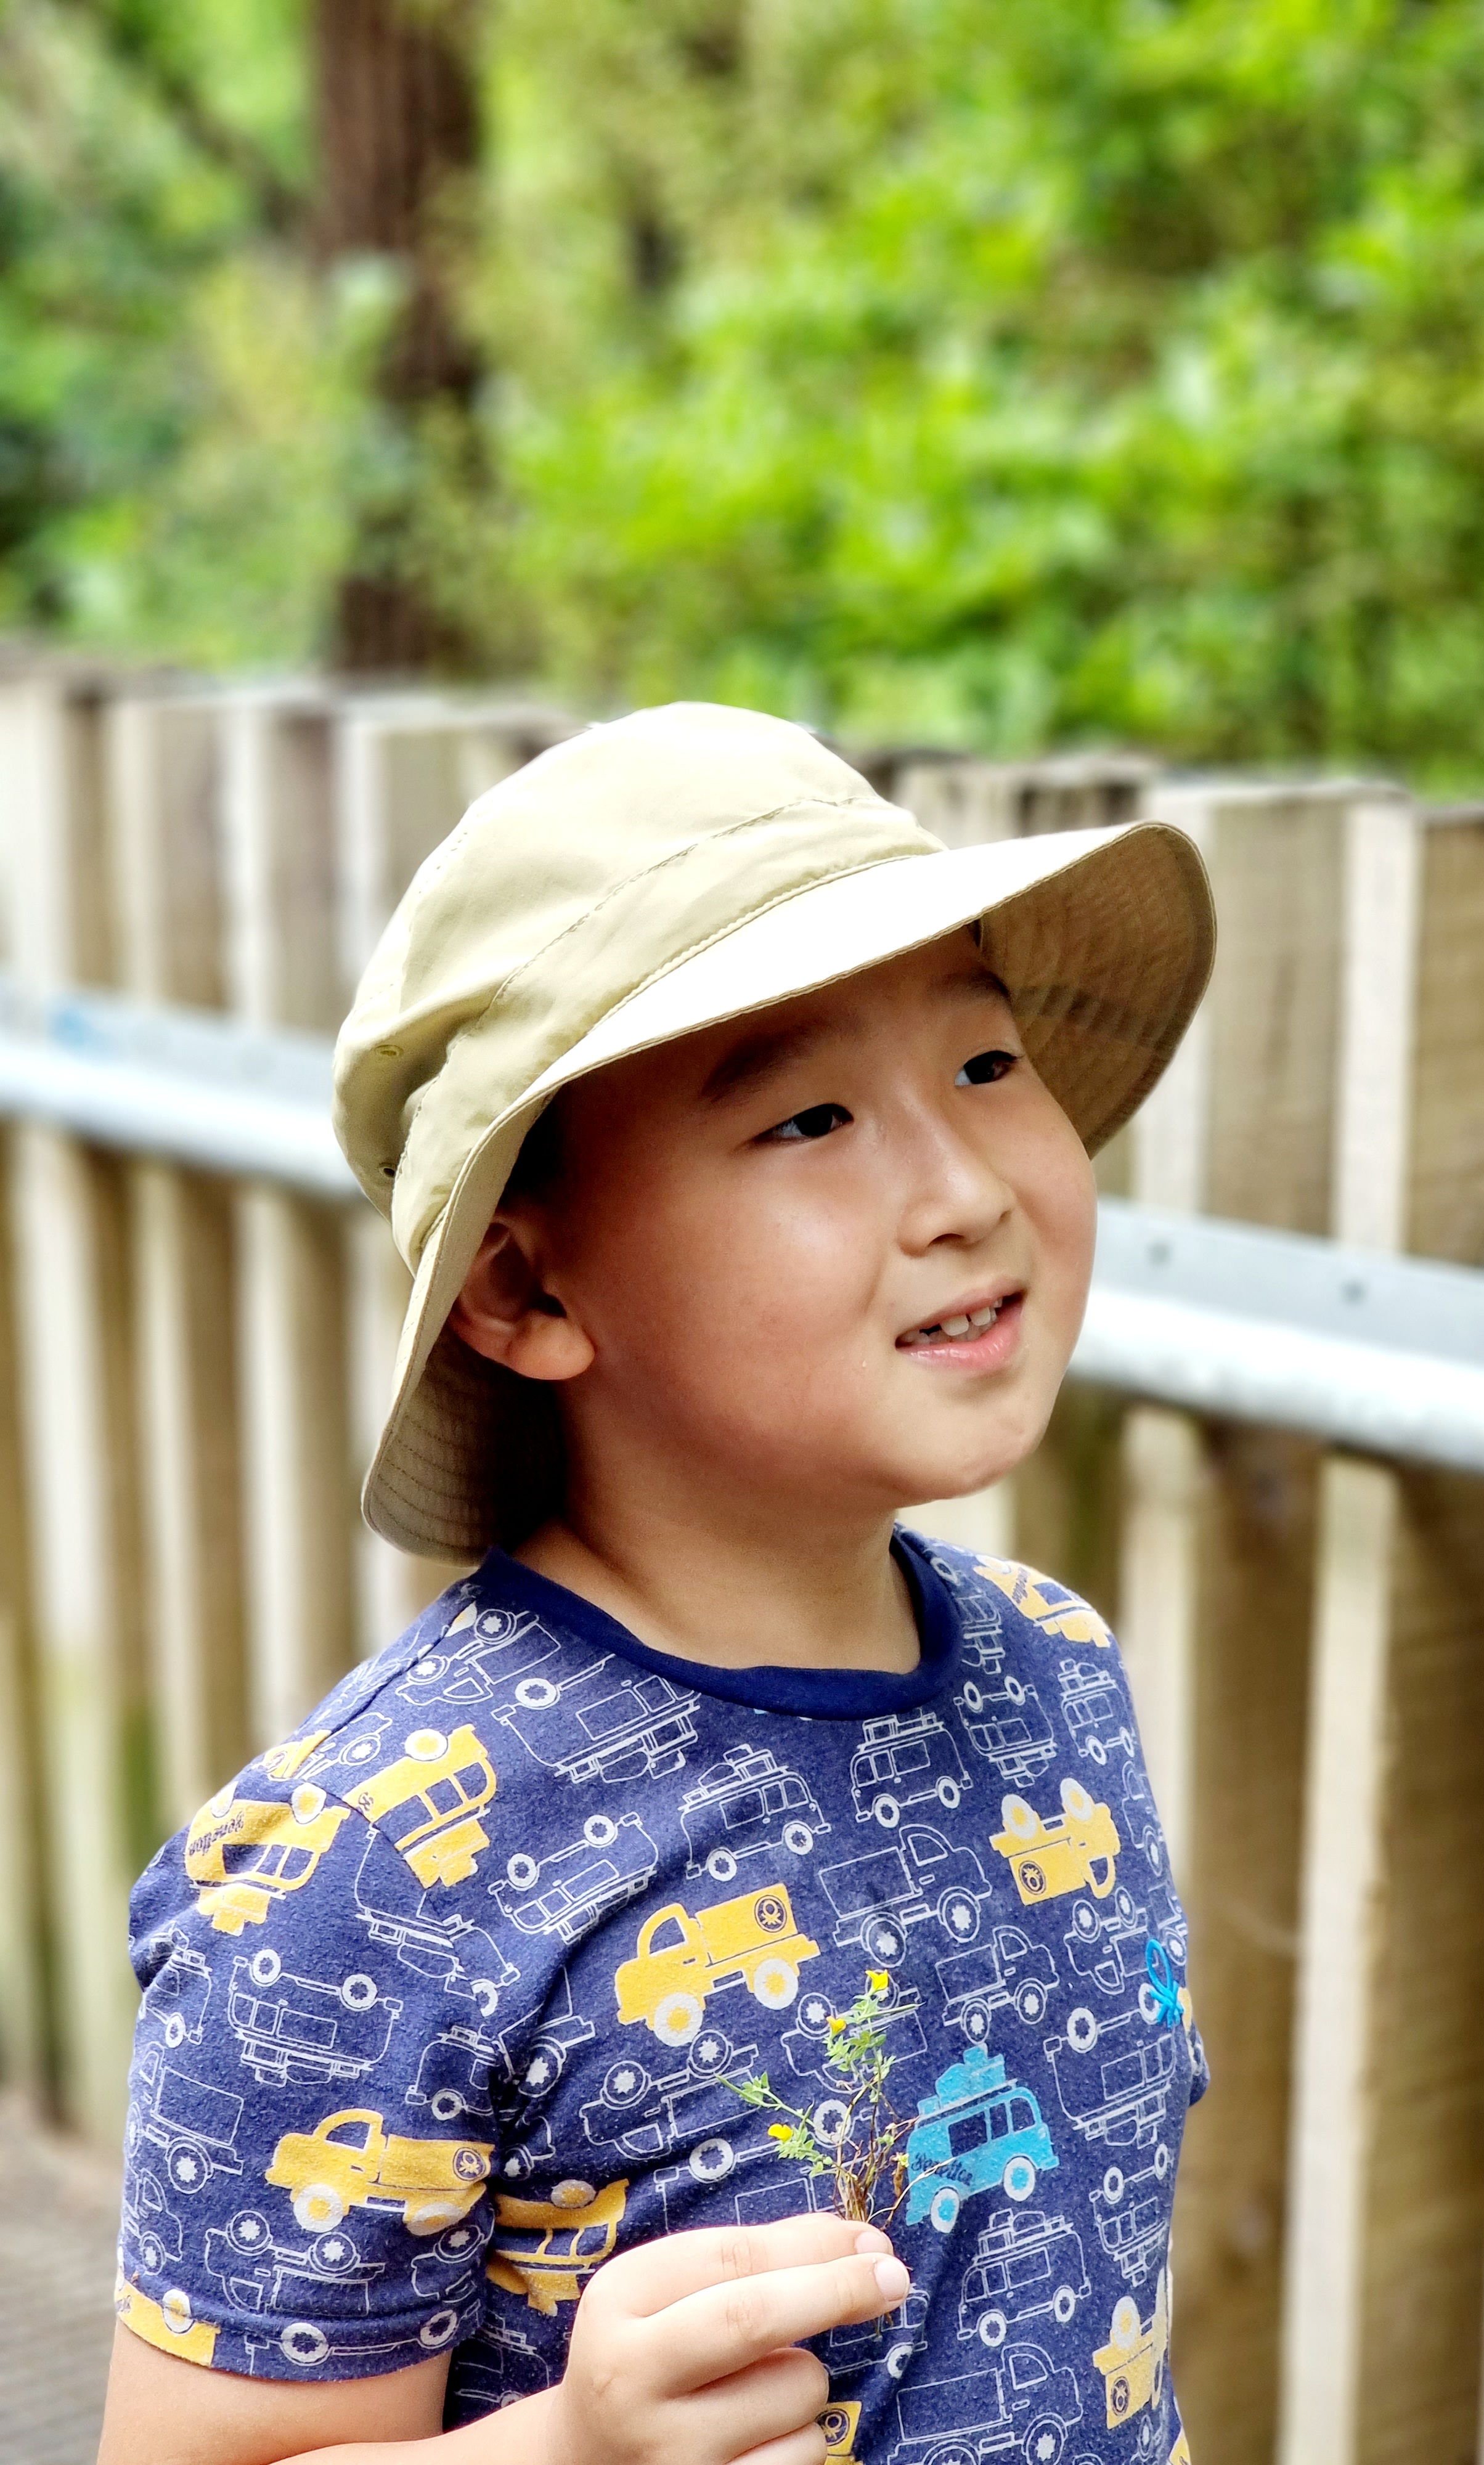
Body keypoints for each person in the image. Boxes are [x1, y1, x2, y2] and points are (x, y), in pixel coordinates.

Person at [98, 703, 1215, 2465]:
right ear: (525, 1291)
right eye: (812, 1118)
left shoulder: (1055, 1670)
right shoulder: (367, 1869)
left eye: (987, 1064)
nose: (961, 1189)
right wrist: (569, 2450)